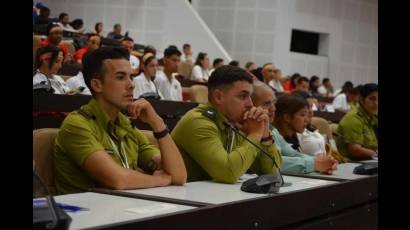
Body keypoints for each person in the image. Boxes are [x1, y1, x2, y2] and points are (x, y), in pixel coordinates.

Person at [54, 47, 187, 195]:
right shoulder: (77, 124)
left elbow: (179, 176)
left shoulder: (125, 124)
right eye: (120, 77)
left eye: (131, 77)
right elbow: (118, 180)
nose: (131, 84)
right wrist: (161, 180)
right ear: (97, 85)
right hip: (85, 214)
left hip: (123, 210)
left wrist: (158, 123)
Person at [171, 65, 282, 183]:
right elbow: (228, 173)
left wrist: (265, 137)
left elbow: (272, 174)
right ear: (218, 97)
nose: (250, 104)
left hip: (209, 197)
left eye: (250, 96)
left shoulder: (235, 122)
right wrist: (255, 134)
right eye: (243, 96)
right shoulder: (198, 122)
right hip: (175, 198)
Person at [251, 81, 337, 174]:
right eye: (267, 103)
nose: (273, 109)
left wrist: (322, 162)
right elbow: (272, 163)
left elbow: (293, 154)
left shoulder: (272, 130)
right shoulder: (247, 130)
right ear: (250, 105)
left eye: (273, 103)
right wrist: (314, 164)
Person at [335, 83, 378, 161]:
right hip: (351, 164)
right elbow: (356, 150)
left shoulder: (372, 118)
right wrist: (376, 154)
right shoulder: (353, 118)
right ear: (361, 100)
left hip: (369, 161)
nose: (376, 103)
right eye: (372, 99)